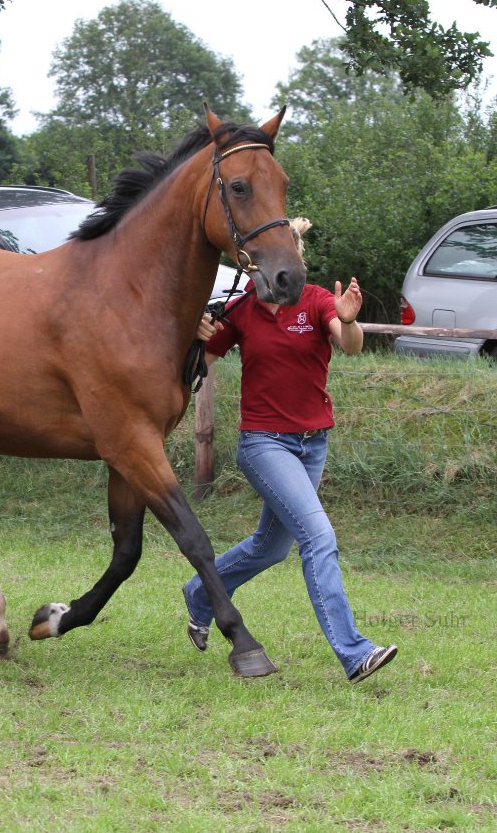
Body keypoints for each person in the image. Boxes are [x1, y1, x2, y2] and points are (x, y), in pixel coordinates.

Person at [182, 250, 396, 683]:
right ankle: (355, 653)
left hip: (312, 444)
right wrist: (192, 337)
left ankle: (200, 592)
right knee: (319, 537)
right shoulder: (240, 310)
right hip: (263, 444)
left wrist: (350, 320)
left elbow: (350, 346)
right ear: (252, 267)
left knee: (271, 547)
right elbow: (193, 370)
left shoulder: (316, 300)